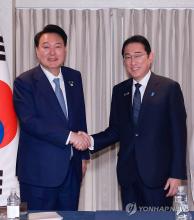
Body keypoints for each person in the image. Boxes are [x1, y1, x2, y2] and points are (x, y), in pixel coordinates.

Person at [79, 35, 187, 210]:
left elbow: (179, 134)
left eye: (138, 55)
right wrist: (90, 141)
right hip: (128, 176)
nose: (132, 61)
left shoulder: (169, 88)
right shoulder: (120, 91)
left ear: (150, 57)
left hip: (159, 178)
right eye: (127, 57)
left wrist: (177, 174)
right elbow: (115, 130)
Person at [13, 24, 91, 211]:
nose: (52, 52)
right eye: (46, 47)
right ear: (37, 50)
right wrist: (70, 137)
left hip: (71, 172)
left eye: (58, 46)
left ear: (65, 48)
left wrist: (83, 156)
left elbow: (79, 117)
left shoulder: (74, 77)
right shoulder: (24, 82)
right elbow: (30, 122)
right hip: (38, 173)